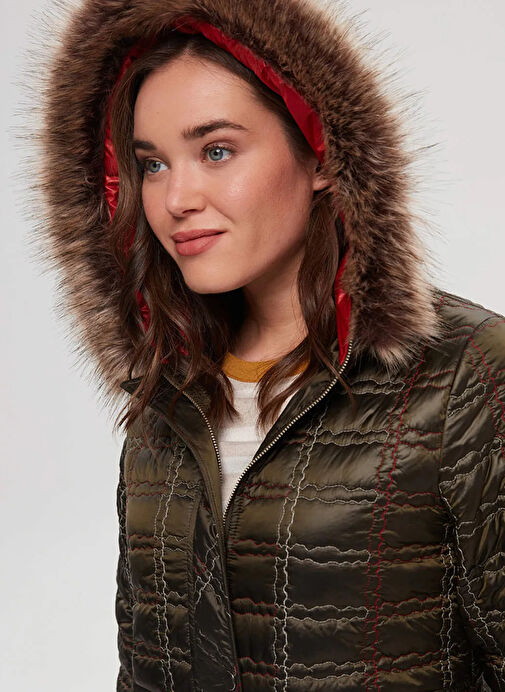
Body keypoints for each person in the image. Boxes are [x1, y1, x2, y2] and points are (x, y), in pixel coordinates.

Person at [33, 0, 504, 689]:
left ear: (321, 153)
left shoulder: (464, 370)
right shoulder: (169, 394)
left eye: (216, 151)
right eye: (152, 164)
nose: (176, 198)